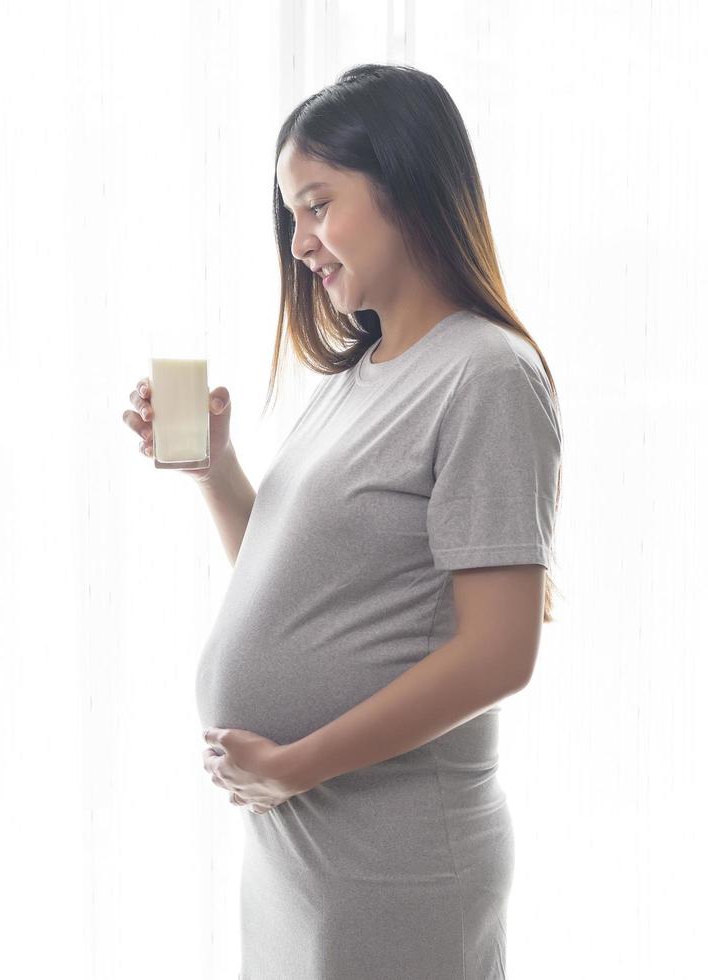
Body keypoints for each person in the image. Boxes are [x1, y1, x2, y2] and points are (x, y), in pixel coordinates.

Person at [122, 63, 563, 979]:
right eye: (291, 217)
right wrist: (215, 469)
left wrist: (297, 765)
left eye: (318, 205)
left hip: (391, 860)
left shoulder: (485, 375)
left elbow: (499, 653)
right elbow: (299, 588)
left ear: (404, 182)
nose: (300, 243)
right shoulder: (357, 377)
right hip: (303, 858)